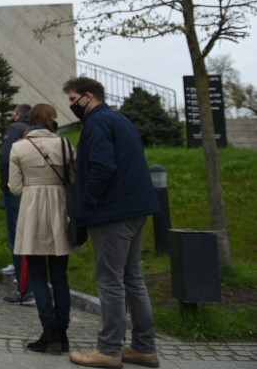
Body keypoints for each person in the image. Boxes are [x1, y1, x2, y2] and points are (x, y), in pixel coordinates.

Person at [63, 77, 161, 369]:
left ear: (88, 96)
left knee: (110, 281)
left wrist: (90, 201)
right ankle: (144, 348)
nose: (71, 105)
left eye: (72, 99)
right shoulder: (121, 120)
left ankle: (108, 350)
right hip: (135, 209)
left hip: (112, 212)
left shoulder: (97, 123)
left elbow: (103, 166)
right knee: (132, 279)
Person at [9, 103, 76, 353]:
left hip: (32, 213)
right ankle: (63, 333)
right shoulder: (66, 145)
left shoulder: (19, 147)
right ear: (52, 121)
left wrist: (33, 186)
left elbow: (14, 188)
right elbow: (73, 179)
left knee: (37, 275)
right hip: (60, 211)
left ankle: (49, 333)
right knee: (60, 276)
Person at [0, 103, 33, 305]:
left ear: (17, 114)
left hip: (17, 191)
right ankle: (30, 285)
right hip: (35, 192)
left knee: (18, 239)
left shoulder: (15, 129)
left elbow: (5, 159)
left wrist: (6, 187)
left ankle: (24, 289)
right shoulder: (40, 132)